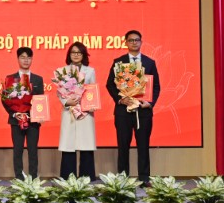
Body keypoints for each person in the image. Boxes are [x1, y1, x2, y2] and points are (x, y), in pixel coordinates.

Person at [106, 30, 161, 186]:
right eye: (131, 40)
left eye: (137, 40)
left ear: (141, 42)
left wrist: (149, 103)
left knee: (143, 145)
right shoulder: (118, 62)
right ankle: (123, 178)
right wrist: (120, 99)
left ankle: (144, 178)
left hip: (143, 111)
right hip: (123, 112)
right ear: (126, 42)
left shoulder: (150, 63)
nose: (134, 43)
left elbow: (156, 86)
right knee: (123, 145)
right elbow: (110, 85)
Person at [3, 47, 44, 179]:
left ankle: (33, 177)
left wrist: (38, 114)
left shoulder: (38, 79)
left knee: (33, 150)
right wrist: (15, 113)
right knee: (18, 150)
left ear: (32, 59)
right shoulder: (10, 78)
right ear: (18, 59)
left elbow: (40, 100)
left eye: (28, 58)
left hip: (33, 121)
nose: (26, 60)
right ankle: (19, 178)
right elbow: (5, 99)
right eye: (23, 57)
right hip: (16, 120)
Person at [57, 42, 97, 180]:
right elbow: (59, 92)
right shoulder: (62, 71)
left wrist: (90, 103)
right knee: (69, 145)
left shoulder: (90, 71)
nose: (76, 55)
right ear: (69, 54)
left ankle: (87, 176)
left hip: (85, 112)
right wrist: (67, 102)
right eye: (73, 52)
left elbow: (92, 90)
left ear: (83, 55)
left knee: (86, 144)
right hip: (69, 110)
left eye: (79, 52)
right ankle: (68, 177)